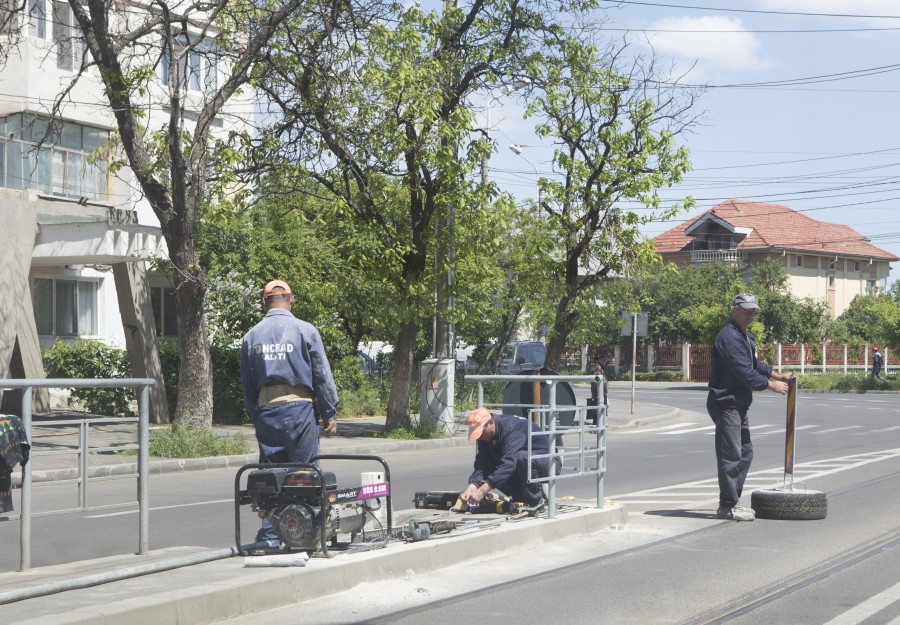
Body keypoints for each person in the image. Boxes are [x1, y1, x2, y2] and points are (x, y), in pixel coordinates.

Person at [240, 279, 339, 549]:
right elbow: (321, 375)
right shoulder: (305, 330)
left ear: (265, 302)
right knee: (305, 475)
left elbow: (247, 384)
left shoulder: (252, 336)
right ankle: (307, 534)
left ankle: (271, 537)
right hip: (299, 410)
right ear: (291, 299)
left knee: (270, 477)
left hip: (267, 411)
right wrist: (329, 412)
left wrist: (257, 416)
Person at [707, 293, 791, 522]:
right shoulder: (729, 338)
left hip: (738, 403)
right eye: (746, 310)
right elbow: (744, 372)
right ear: (734, 310)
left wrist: (776, 373)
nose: (750, 315)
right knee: (732, 454)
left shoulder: (743, 336)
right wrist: (770, 385)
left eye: (753, 311)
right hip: (726, 403)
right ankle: (728, 505)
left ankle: (732, 500)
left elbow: (754, 364)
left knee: (745, 452)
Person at [461, 408, 560, 509]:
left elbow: (508, 465)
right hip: (523, 464)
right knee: (497, 470)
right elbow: (483, 463)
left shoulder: (510, 429)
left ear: (490, 423)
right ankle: (521, 498)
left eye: (481, 433)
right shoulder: (485, 436)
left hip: (548, 462)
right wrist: (472, 486)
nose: (480, 437)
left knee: (521, 458)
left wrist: (482, 491)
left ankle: (536, 501)